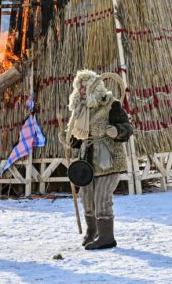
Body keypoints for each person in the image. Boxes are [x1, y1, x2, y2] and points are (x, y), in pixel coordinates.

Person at [66, 70, 133, 251]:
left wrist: (117, 131)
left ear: (96, 87)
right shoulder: (81, 109)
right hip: (87, 161)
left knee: (102, 197)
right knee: (86, 197)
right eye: (80, 87)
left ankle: (106, 237)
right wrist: (71, 140)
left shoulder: (111, 104)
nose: (82, 90)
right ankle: (92, 230)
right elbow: (77, 136)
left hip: (109, 159)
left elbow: (127, 128)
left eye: (86, 86)